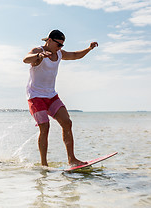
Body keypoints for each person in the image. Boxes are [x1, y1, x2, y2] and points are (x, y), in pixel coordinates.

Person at [23, 29, 98, 167]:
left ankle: (72, 160)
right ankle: (44, 165)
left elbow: (75, 55)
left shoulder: (59, 53)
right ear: (50, 40)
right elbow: (26, 59)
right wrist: (39, 56)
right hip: (35, 96)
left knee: (67, 123)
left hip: (51, 95)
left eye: (62, 46)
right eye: (59, 45)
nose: (60, 48)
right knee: (45, 127)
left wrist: (89, 48)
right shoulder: (37, 50)